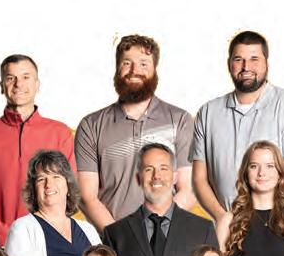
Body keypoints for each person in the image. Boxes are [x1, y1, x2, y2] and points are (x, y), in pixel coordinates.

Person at [76, 34, 196, 230]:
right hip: (112, 240)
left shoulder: (180, 120)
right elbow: (87, 197)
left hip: (167, 237)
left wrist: (157, 229)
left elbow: (188, 190)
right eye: (127, 63)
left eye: (143, 63)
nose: (135, 70)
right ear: (117, 68)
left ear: (155, 69)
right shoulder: (91, 126)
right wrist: (120, 237)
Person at [192, 30, 284, 228]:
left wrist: (260, 221)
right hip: (229, 230)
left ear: (266, 63)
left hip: (280, 226)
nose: (246, 67)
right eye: (239, 59)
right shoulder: (208, 113)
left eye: (254, 59)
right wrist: (223, 218)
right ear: (229, 64)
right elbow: (199, 179)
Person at [104, 142, 219, 256]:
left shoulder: (203, 229)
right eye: (149, 169)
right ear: (138, 178)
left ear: (175, 177)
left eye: (163, 168)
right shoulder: (115, 234)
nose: (156, 176)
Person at [0, 54, 76, 246]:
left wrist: (45, 235)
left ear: (37, 84)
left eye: (26, 77)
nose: (18, 84)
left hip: (49, 241)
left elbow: (67, 190)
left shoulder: (60, 133)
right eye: (11, 78)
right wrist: (6, 236)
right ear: (2, 86)